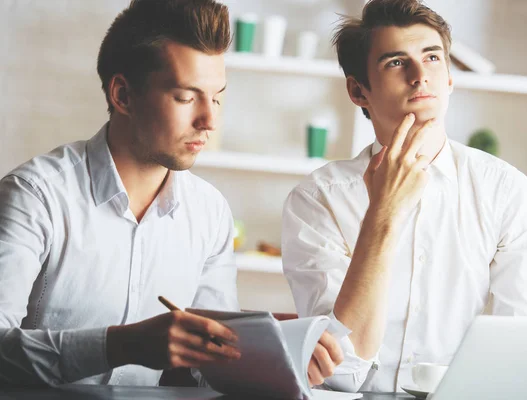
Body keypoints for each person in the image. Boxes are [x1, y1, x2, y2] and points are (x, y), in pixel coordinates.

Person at [0, 0, 342, 387]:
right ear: (123, 95)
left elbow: (208, 365)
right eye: (185, 97)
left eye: (215, 97)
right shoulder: (34, 196)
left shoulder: (210, 212)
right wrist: (121, 345)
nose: (209, 120)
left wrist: (275, 346)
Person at [280, 0, 527, 397]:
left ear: (449, 77)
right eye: (396, 63)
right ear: (358, 90)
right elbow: (341, 368)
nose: (420, 77)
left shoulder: (510, 194)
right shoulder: (316, 200)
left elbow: (519, 353)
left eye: (432, 58)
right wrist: (385, 210)